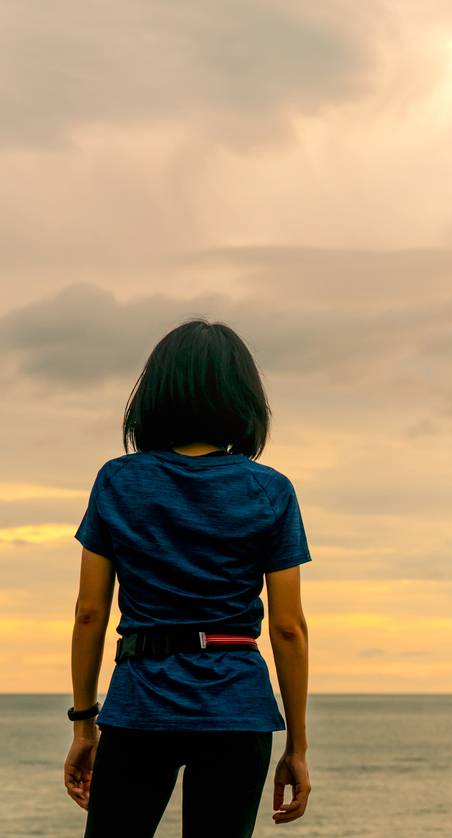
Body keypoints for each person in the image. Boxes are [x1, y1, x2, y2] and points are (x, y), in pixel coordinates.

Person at [62, 319, 313, 837]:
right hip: (237, 708)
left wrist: (84, 725)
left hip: (139, 703)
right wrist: (298, 747)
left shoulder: (119, 480)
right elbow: (289, 628)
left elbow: (90, 614)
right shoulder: (270, 490)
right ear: (245, 399)